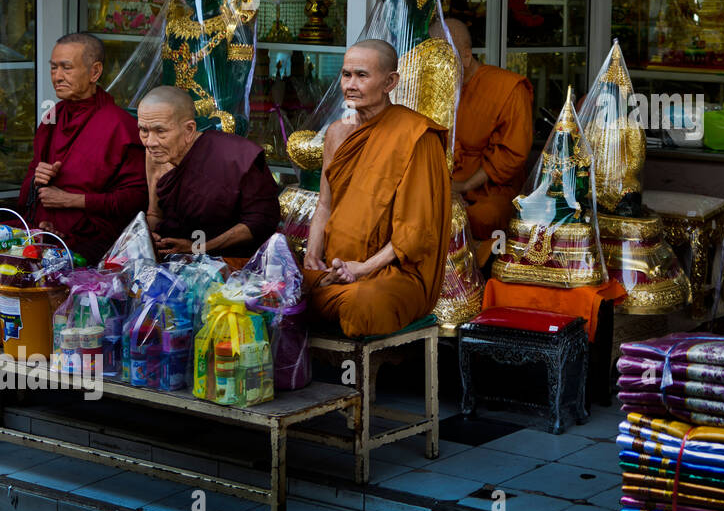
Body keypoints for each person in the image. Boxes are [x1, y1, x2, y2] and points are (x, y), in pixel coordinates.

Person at [304, 40, 451, 337]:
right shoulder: (337, 133)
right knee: (282, 287)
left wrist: (363, 268)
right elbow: (325, 205)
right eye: (346, 75)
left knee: (361, 303)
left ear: (390, 82)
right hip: (335, 266)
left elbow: (415, 231)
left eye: (362, 75)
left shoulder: (416, 135)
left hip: (393, 273)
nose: (351, 85)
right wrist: (312, 257)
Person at [17, 33, 146, 262]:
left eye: (66, 68)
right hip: (44, 235)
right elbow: (29, 183)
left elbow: (137, 199)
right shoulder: (52, 117)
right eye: (53, 67)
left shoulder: (120, 126)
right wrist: (38, 179)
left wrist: (72, 200)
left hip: (94, 246)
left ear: (94, 72)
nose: (57, 76)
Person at [139, 85, 280, 259]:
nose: (150, 142)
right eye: (144, 130)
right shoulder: (155, 153)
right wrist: (148, 237)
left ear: (189, 129)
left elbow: (260, 222)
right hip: (171, 262)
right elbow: (155, 213)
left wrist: (198, 248)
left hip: (229, 266)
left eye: (160, 131)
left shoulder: (235, 157)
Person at [445, 18, 533, 260]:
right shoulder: (437, 90)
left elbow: (510, 155)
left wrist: (463, 187)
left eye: (445, 59)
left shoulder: (507, 88)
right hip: (446, 183)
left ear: (465, 55)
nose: (438, 68)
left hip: (490, 188)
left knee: (483, 216)